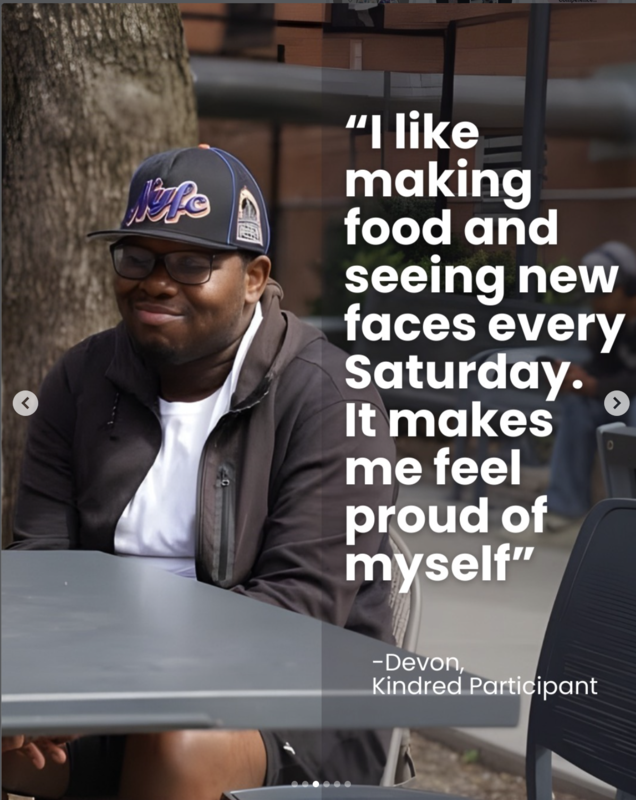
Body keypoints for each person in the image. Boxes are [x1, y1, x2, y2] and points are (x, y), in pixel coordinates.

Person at [3, 146, 397, 799]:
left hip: (293, 705)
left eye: (192, 262)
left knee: (178, 743)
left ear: (253, 276)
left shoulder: (330, 397)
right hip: (105, 686)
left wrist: (104, 685)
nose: (155, 281)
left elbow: (295, 614)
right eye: (137, 257)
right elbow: (41, 562)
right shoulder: (80, 379)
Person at [546, 240, 636, 534]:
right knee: (578, 404)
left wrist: (593, 385)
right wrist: (577, 377)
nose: (595, 302)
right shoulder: (607, 321)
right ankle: (565, 509)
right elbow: (606, 370)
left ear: (627, 288)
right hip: (619, 400)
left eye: (602, 292)